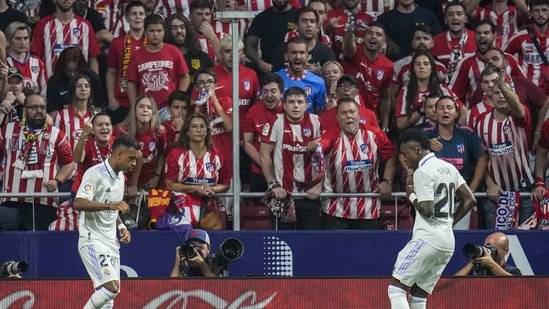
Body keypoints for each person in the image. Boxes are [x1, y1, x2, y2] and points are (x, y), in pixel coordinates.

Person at [388, 129, 476, 309]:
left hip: (427, 238)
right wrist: (450, 222)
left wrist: (411, 195)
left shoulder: (423, 171)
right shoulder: (449, 167)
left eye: (406, 154)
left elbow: (427, 210)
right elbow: (470, 200)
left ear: (416, 150)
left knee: (396, 289)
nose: (404, 160)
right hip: (447, 241)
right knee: (419, 296)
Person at [308, 97, 396, 230]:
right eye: (344, 113)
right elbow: (320, 148)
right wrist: (315, 146)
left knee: (365, 251)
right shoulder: (331, 135)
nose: (348, 116)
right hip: (336, 208)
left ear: (359, 114)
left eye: (352, 112)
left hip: (368, 208)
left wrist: (387, 181)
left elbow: (391, 156)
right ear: (337, 118)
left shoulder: (375, 134)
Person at [75, 135, 141, 309]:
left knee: (108, 299)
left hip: (111, 242)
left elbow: (113, 210)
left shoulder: (120, 178)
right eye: (131, 158)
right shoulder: (95, 174)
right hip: (92, 239)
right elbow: (79, 202)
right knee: (111, 289)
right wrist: (110, 205)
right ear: (119, 154)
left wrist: (121, 226)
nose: (134, 163)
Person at [0, 94, 74, 231]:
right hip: (12, 201)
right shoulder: (7, 131)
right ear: (24, 110)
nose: (39, 111)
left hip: (44, 202)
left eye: (42, 107)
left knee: (40, 246)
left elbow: (69, 163)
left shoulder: (57, 135)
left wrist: (58, 180)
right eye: (34, 107)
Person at [259, 86, 323, 230]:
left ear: (307, 105)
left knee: (309, 241)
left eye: (300, 102)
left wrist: (319, 185)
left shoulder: (317, 122)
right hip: (282, 194)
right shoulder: (275, 122)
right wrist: (273, 184)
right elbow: (264, 154)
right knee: (281, 241)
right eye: (291, 102)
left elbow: (325, 155)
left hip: (309, 194)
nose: (295, 106)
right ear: (284, 104)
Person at [476, 77, 535, 229]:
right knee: (495, 243)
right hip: (496, 194)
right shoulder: (481, 121)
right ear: (490, 96)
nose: (501, 96)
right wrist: (490, 184)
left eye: (505, 92)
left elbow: (517, 106)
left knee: (525, 243)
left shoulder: (520, 115)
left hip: (524, 194)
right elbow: (481, 158)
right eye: (497, 92)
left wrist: (502, 84)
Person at [424, 96, 488, 229]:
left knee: (457, 241)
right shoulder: (426, 134)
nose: (445, 111)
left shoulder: (466, 133)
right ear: (435, 113)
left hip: (460, 202)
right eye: (441, 108)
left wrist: (472, 189)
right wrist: (425, 145)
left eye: (449, 108)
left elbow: (482, 158)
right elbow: (404, 151)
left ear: (456, 113)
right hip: (433, 202)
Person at [164, 113, 231, 225]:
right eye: (194, 127)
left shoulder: (217, 155)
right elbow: (170, 184)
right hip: (181, 210)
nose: (198, 130)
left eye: (202, 126)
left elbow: (225, 184)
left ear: (207, 131)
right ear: (187, 131)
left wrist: (212, 189)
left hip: (208, 211)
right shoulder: (176, 154)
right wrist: (196, 188)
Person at [126, 13, 191, 123]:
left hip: (169, 108)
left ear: (164, 32)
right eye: (151, 31)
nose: (155, 34)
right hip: (147, 110)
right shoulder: (137, 55)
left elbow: (185, 77)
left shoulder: (173, 51)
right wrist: (135, 106)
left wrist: (176, 100)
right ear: (145, 32)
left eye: (159, 31)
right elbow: (131, 83)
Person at [395, 50, 466, 132]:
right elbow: (400, 124)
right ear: (413, 69)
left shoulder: (443, 90)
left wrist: (457, 133)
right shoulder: (405, 92)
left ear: (432, 68)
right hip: (415, 137)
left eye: (426, 64)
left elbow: (463, 111)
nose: (422, 67)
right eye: (418, 64)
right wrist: (421, 110)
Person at [342, 22, 393, 131]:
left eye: (378, 35)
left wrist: (384, 126)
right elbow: (347, 47)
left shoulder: (388, 66)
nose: (373, 36)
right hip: (347, 113)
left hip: (370, 117)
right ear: (364, 37)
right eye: (370, 33)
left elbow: (385, 98)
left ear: (384, 41)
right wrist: (351, 31)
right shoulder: (355, 52)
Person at [30, 0, 100, 77]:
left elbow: (93, 59)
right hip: (50, 86)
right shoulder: (42, 25)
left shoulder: (86, 25)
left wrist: (94, 83)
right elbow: (35, 59)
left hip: (80, 85)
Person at [114, 95, 168, 194]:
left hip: (148, 182)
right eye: (141, 107)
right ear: (134, 110)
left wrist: (156, 177)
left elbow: (162, 154)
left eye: (149, 107)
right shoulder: (120, 130)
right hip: (123, 181)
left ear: (154, 112)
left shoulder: (160, 132)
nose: (145, 110)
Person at [106, 0, 147, 125]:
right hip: (122, 103)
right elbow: (111, 72)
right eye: (134, 14)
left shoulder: (153, 42)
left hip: (147, 101)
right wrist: (111, 98)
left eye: (141, 13)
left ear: (145, 17)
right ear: (127, 18)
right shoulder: (117, 43)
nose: (138, 17)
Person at [243, 73, 284, 193]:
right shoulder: (253, 111)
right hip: (259, 172)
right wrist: (265, 164)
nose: (269, 95)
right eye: (265, 91)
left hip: (286, 171)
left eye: (273, 91)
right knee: (259, 210)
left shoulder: (289, 110)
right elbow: (247, 143)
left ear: (281, 93)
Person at [46, 47, 106, 119]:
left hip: (89, 121)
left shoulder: (92, 78)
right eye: (68, 70)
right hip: (63, 122)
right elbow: (53, 112)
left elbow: (99, 107)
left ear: (82, 67)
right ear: (62, 68)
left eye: (76, 70)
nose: (72, 74)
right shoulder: (54, 81)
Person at [245, 0, 299, 76]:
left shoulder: (299, 16)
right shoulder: (261, 18)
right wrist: (260, 63)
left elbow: (309, 39)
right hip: (269, 71)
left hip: (295, 70)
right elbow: (249, 45)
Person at [275, 37, 326, 115]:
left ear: (307, 56)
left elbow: (320, 115)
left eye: (301, 53)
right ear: (286, 56)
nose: (298, 57)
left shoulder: (318, 82)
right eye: (293, 52)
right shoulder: (275, 79)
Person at [377, 0, 442, 61]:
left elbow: (439, 41)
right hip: (393, 65)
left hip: (424, 66)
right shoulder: (384, 19)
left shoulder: (429, 16)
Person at [504, 0, 549, 87]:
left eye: (544, 10)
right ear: (531, 13)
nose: (541, 14)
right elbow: (502, 56)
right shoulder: (520, 37)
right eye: (536, 11)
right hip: (527, 91)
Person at [431, 1, 476, 82]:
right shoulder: (434, 42)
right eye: (450, 14)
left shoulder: (476, 38)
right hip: (444, 91)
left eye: (459, 14)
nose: (455, 17)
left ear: (465, 19)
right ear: (445, 20)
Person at [164, 13, 214, 86]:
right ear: (167, 31)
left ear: (188, 30)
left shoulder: (202, 57)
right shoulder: (162, 58)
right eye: (174, 28)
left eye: (182, 27)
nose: (179, 31)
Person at [5, 22, 48, 97]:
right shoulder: (3, 61)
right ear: (8, 40)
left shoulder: (38, 62)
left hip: (33, 106)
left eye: (26, 38)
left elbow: (44, 92)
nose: (23, 42)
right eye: (18, 38)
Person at [455, 232, 522, 276]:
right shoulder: (477, 269)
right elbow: (453, 283)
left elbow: (516, 283)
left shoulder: (512, 270)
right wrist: (473, 262)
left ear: (506, 251)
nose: (489, 251)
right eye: (486, 247)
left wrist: (492, 265)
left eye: (493, 248)